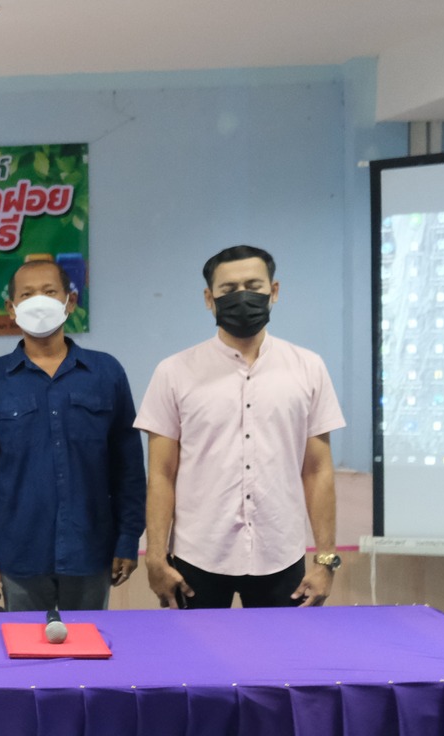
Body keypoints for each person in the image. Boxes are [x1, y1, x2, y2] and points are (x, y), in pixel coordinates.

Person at [136, 244, 344, 609]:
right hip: (197, 557)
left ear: (273, 291)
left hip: (280, 555)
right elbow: (161, 474)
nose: (242, 297)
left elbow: (317, 470)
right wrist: (155, 558)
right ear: (209, 298)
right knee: (193, 649)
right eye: (229, 289)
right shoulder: (174, 372)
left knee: (279, 650)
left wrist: (325, 560)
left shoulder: (308, 368)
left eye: (253, 286)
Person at [0, 255, 145, 613]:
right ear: (11, 309)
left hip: (92, 549)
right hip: (19, 552)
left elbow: (129, 469)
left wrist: (127, 538)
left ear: (69, 301)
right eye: (27, 295)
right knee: (23, 646)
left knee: (89, 643)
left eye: (49, 291)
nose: (39, 302)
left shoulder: (106, 372)